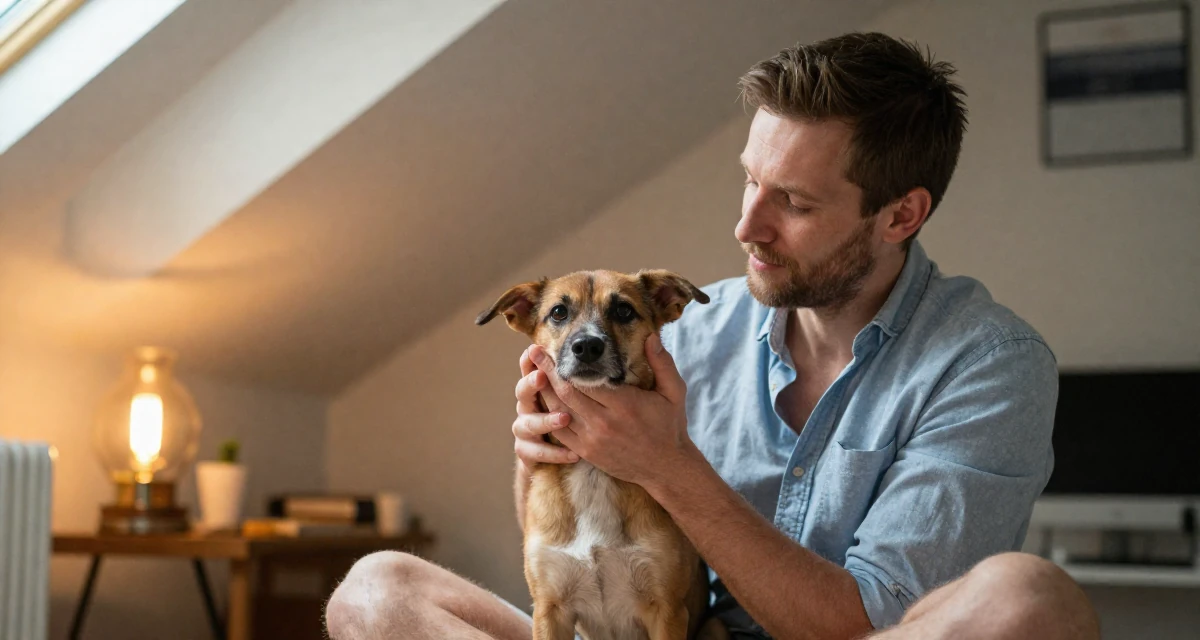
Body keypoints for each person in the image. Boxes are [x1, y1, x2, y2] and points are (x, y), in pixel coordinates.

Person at [324, 32, 1101, 640]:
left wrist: (669, 467)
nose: (745, 226)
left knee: (1031, 600)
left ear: (900, 215)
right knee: (374, 592)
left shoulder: (988, 366)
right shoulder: (687, 327)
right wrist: (540, 448)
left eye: (791, 201)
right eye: (748, 179)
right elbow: (560, 545)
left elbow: (871, 622)